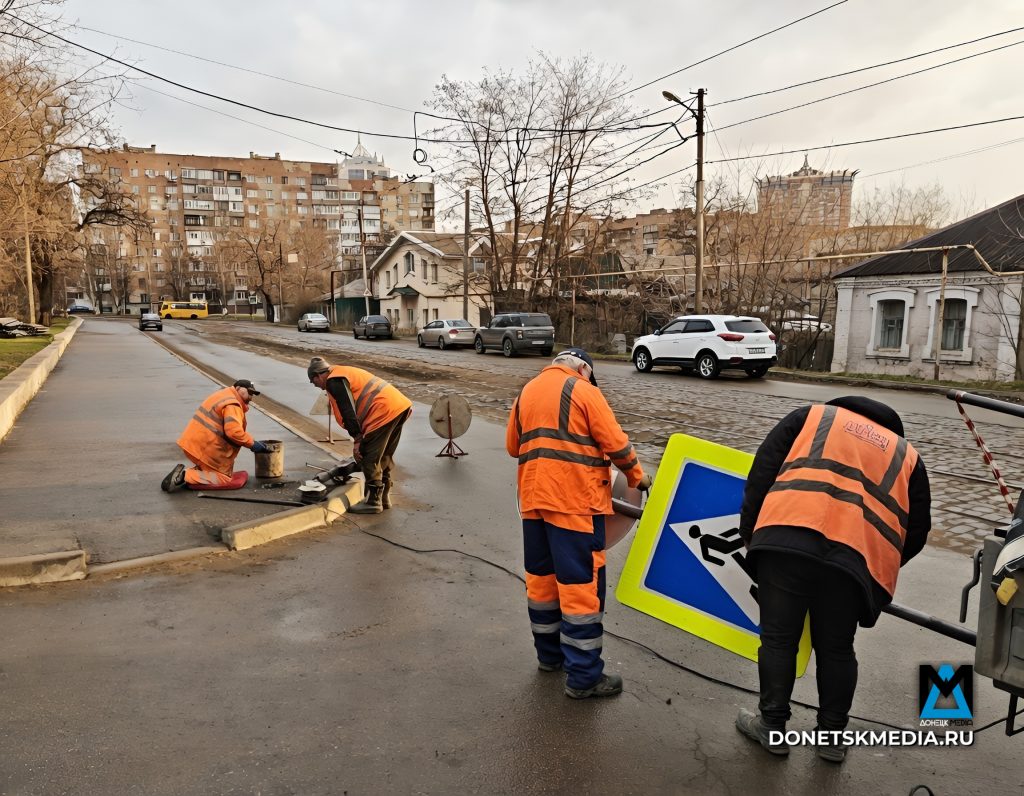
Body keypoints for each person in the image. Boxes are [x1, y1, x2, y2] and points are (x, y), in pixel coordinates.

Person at [735, 396, 931, 763]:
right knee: (838, 648)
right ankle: (830, 739)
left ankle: (773, 728)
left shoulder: (810, 417)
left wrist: (753, 536)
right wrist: (876, 560)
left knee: (779, 639)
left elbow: (761, 474)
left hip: (786, 541)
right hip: (852, 564)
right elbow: (917, 531)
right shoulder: (907, 456)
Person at [506, 348, 653, 699]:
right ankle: (584, 678)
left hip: (532, 502)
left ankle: (549, 658)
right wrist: (637, 477)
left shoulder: (527, 391)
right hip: (574, 504)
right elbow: (615, 442)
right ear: (583, 368)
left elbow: (513, 447)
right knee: (580, 588)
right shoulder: (583, 390)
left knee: (542, 583)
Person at [307, 356, 412, 514]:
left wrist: (357, 440)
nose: (317, 387)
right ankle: (384, 498)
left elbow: (347, 410)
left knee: (368, 455)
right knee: (383, 455)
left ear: (318, 375)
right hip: (398, 407)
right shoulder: (342, 372)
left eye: (314, 382)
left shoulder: (334, 380)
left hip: (382, 411)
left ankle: (373, 502)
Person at [161, 379, 271, 493]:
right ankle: (185, 476)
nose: (250, 397)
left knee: (218, 471)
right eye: (249, 392)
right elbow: (234, 432)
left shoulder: (224, 395)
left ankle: (190, 473)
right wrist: (253, 444)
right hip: (206, 449)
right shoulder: (233, 404)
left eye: (252, 394)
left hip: (195, 443)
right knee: (223, 479)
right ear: (238, 389)